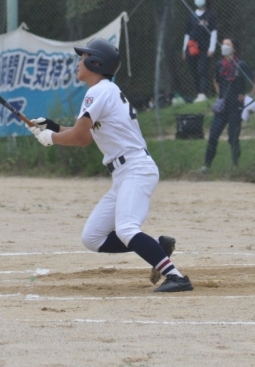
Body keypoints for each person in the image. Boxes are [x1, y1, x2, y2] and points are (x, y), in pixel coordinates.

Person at [26, 38, 193, 293]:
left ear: (96, 63)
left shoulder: (99, 91)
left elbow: (79, 138)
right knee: (92, 237)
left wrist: (51, 139)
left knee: (126, 228)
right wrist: (53, 127)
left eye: (83, 58)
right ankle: (157, 248)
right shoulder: (104, 91)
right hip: (124, 173)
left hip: (135, 169)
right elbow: (85, 136)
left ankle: (177, 278)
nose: (78, 63)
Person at [201, 38, 255, 170]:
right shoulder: (219, 65)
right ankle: (206, 165)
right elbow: (216, 80)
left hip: (236, 106)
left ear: (234, 49)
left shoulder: (241, 64)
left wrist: (249, 96)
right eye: (223, 44)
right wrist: (220, 95)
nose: (224, 46)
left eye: (228, 44)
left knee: (233, 137)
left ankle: (235, 165)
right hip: (222, 107)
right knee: (213, 135)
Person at [182, 0, 218, 103]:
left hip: (204, 48)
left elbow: (214, 32)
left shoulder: (211, 15)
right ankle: (198, 93)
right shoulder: (191, 15)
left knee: (202, 70)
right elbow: (187, 33)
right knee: (194, 71)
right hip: (191, 48)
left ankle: (203, 93)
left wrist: (212, 48)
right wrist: (184, 49)